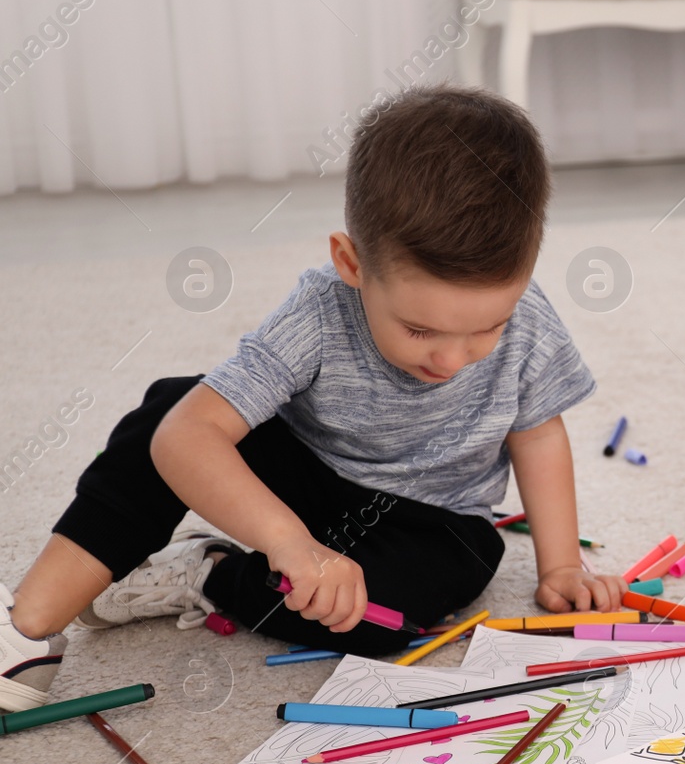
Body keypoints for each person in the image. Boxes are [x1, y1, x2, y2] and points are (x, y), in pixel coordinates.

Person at [0, 85, 622, 715]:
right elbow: (187, 437)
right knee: (171, 413)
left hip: (429, 519)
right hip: (305, 477)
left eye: (486, 328)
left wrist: (562, 565)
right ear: (351, 263)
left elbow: (538, 433)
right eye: (420, 329)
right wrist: (290, 541)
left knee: (392, 615)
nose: (452, 359)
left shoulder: (530, 318)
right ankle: (28, 622)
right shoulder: (321, 312)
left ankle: (212, 573)